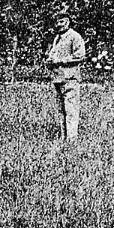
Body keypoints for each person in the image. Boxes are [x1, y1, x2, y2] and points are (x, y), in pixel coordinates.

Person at [44, 8, 86, 142]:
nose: (59, 24)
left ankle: (72, 139)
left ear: (68, 22)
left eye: (62, 21)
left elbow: (80, 56)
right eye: (57, 22)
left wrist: (62, 60)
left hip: (70, 78)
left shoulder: (75, 36)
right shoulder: (57, 38)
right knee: (61, 110)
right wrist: (49, 60)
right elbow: (52, 54)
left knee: (71, 110)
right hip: (58, 78)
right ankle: (63, 137)